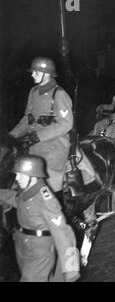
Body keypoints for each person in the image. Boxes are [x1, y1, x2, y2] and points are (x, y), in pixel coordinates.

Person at [0, 155, 80, 282]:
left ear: (34, 175)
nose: (17, 178)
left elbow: (63, 232)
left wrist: (71, 268)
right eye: (16, 174)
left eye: (21, 175)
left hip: (40, 252)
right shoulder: (28, 190)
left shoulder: (46, 199)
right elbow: (16, 200)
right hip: (24, 246)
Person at [9, 57, 73, 193]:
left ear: (47, 74)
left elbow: (66, 124)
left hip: (54, 144)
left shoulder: (59, 94)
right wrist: (11, 136)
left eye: (36, 72)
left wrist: (38, 136)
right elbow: (27, 119)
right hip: (32, 143)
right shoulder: (33, 92)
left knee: (48, 175)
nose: (32, 74)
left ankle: (56, 200)